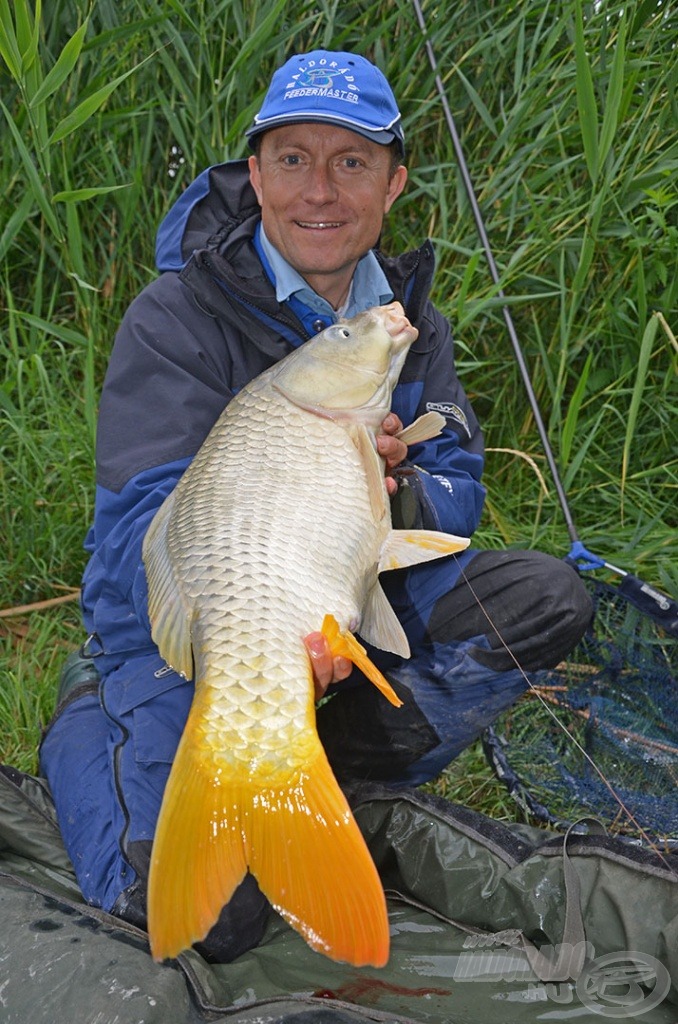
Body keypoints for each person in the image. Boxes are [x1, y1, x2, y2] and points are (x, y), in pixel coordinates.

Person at [39, 50, 592, 962]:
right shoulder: (176, 316)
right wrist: (262, 631)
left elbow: (455, 493)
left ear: (393, 181)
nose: (321, 192)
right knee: (203, 926)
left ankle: (318, 774)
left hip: (333, 598)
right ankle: (89, 717)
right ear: (255, 176)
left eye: (352, 162)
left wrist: (396, 480)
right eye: (293, 160)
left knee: (543, 598)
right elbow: (140, 530)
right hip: (187, 630)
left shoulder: (408, 324)